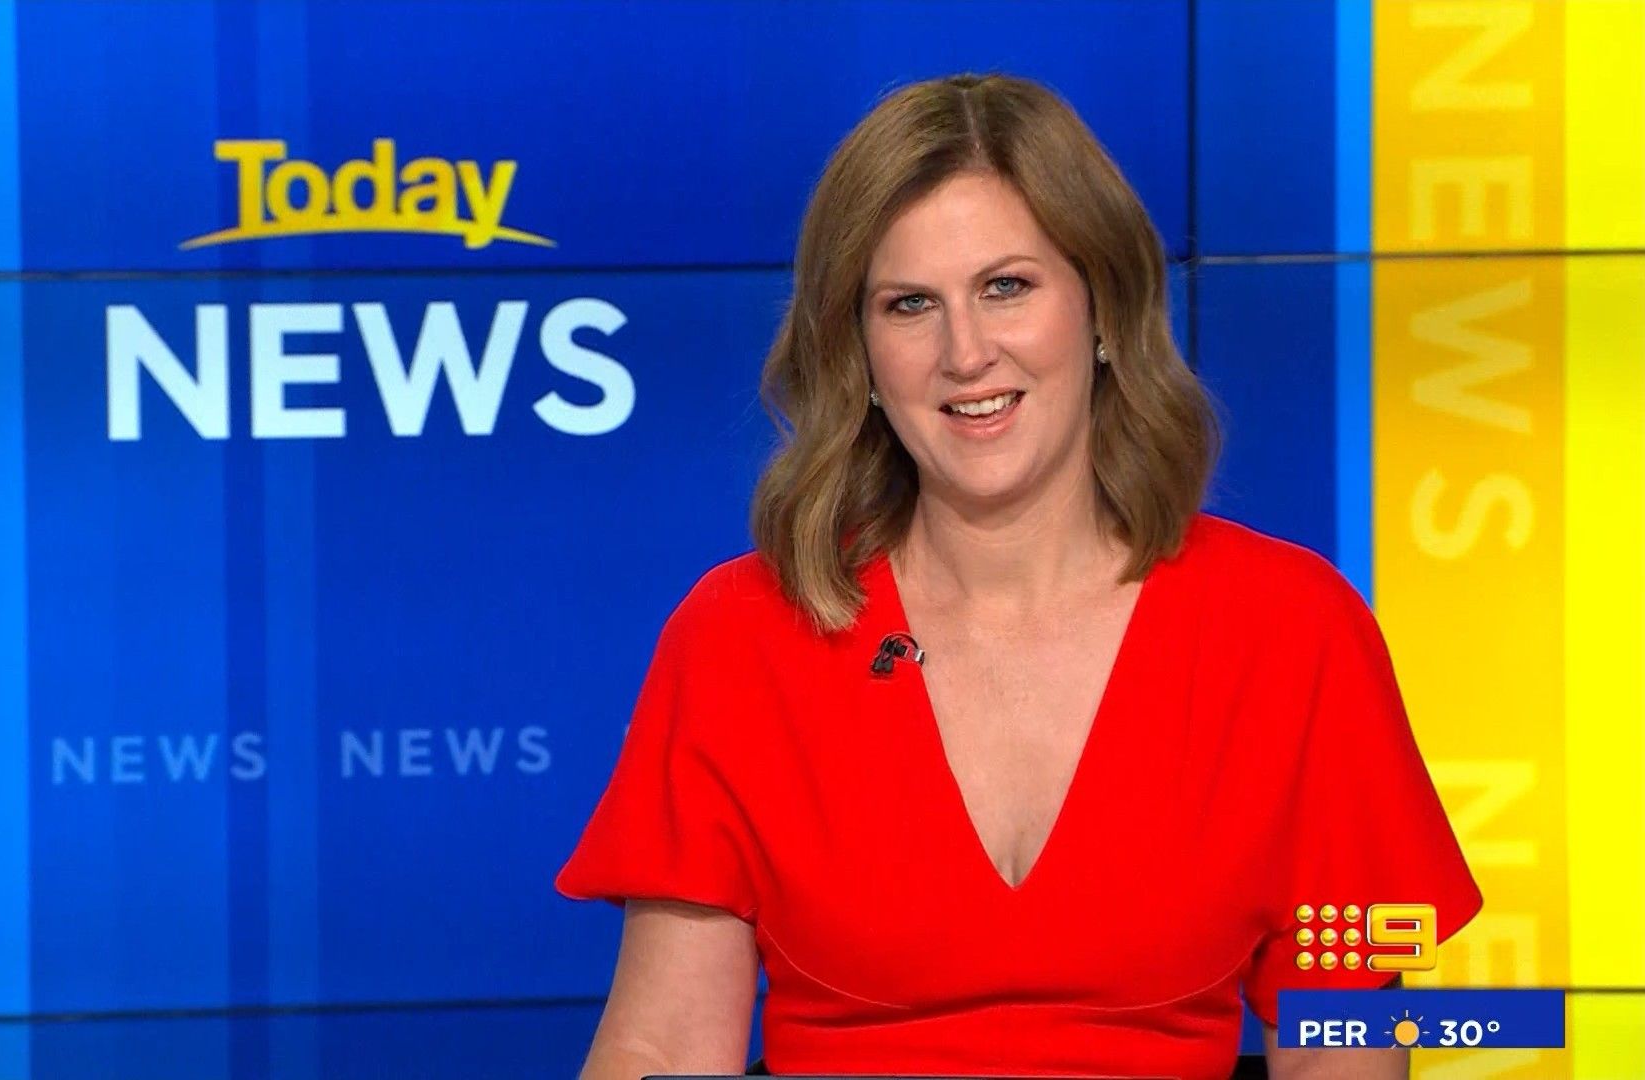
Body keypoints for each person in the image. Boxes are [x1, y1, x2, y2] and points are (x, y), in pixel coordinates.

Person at [555, 73, 1481, 1080]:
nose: (966, 353)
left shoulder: (1290, 628)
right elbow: (662, 1047)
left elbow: (1345, 1041)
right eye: (910, 305)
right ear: (859, 356)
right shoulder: (742, 634)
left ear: (1103, 308)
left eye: (1007, 287)